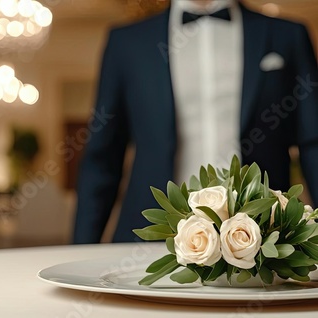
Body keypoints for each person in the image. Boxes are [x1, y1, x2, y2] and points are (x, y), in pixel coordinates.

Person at [72, 0, 318, 243]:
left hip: (263, 239)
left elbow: (313, 143)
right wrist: (78, 255)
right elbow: (103, 155)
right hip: (149, 236)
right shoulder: (127, 42)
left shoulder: (288, 35)